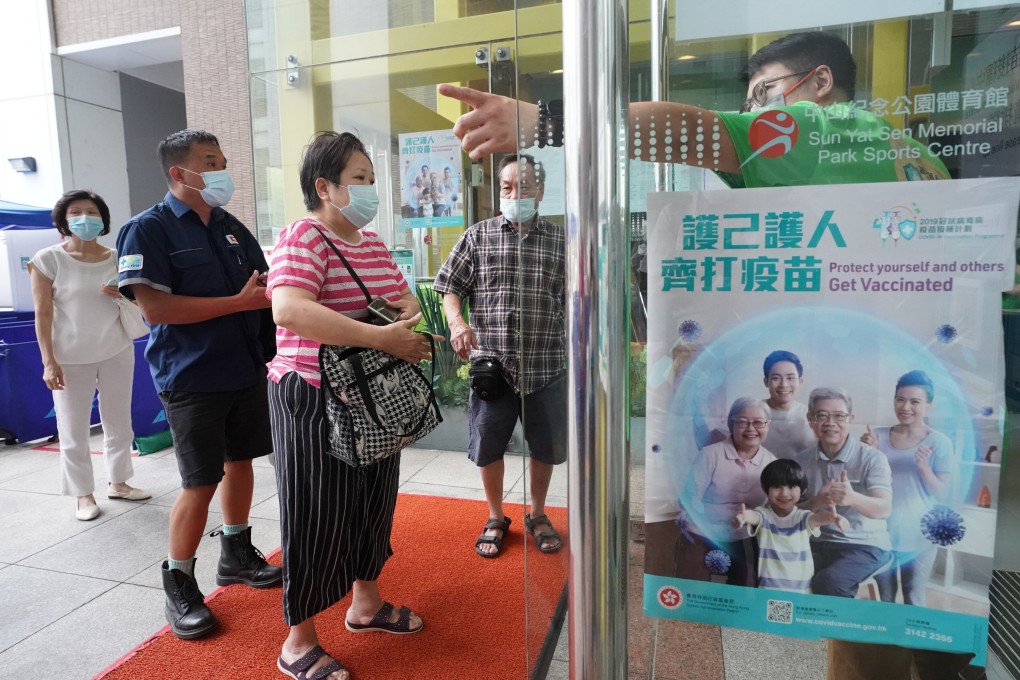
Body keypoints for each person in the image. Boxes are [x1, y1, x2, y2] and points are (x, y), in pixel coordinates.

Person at [441, 32, 968, 678]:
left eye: (763, 97)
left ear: (819, 84)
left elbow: (690, 133)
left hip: (889, 429)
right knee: (930, 637)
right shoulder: (916, 157)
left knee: (869, 647)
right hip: (937, 402)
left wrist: (540, 121)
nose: (755, 116)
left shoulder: (817, 126)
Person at [267, 131, 436, 680]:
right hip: (312, 395)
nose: (370, 190)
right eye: (360, 179)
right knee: (315, 513)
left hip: (371, 397)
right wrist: (383, 336)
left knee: (371, 502)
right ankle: (298, 640)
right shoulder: (304, 237)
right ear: (325, 186)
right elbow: (289, 310)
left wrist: (391, 323)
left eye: (370, 179)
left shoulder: (373, 244)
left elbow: (408, 298)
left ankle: (365, 604)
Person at [116, 128, 282, 641]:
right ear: (178, 172)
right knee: (199, 481)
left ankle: (235, 553)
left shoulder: (230, 226)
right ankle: (179, 581)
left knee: (241, 462)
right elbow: (155, 308)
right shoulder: (148, 229)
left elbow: (264, 287)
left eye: (222, 161)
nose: (221, 171)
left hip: (244, 365)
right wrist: (237, 303)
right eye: (210, 162)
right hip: (191, 377)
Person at [433, 153, 567, 558]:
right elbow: (449, 286)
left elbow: (581, 300)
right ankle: (495, 516)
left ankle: (538, 513)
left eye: (524, 186)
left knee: (545, 448)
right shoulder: (478, 236)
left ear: (540, 191)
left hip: (546, 364)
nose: (514, 194)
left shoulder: (562, 241)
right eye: (507, 187)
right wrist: (458, 324)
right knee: (488, 445)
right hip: (493, 368)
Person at [28, 190, 150, 521]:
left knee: (118, 422)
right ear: (64, 222)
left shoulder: (116, 257)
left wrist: (120, 294)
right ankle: (83, 494)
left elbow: (139, 302)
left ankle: (119, 482)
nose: (85, 218)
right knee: (73, 428)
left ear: (103, 219)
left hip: (116, 350)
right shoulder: (47, 259)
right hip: (69, 357)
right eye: (76, 212)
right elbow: (43, 314)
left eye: (92, 211)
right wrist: (48, 361)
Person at [859, 370, 953, 606]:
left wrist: (923, 467)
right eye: (900, 399)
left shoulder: (939, 442)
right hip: (881, 534)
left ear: (929, 405)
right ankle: (884, 643)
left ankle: (911, 644)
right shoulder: (877, 436)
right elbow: (864, 486)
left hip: (920, 537)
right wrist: (868, 454)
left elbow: (943, 493)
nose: (906, 406)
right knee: (885, 599)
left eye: (915, 401)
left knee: (914, 598)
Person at [794, 387, 893, 598]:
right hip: (818, 541)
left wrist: (853, 498)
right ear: (810, 419)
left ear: (851, 419)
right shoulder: (800, 461)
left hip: (865, 544)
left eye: (839, 416)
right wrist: (815, 502)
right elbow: (790, 511)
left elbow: (884, 509)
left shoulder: (872, 458)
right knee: (782, 570)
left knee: (829, 583)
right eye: (821, 415)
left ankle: (849, 629)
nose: (830, 423)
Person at [680, 397, 776, 585]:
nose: (750, 429)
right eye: (742, 422)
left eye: (758, 422)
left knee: (746, 585)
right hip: (705, 532)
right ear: (731, 424)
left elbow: (773, 508)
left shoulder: (772, 463)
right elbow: (688, 500)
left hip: (745, 535)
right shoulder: (710, 455)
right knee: (695, 586)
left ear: (768, 425)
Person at [732, 458, 847, 593]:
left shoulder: (802, 517)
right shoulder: (764, 515)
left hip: (801, 591)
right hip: (768, 590)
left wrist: (832, 518)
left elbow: (816, 519)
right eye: (776, 486)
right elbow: (753, 516)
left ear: (802, 490)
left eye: (791, 487)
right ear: (766, 489)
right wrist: (744, 517)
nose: (784, 493)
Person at [760, 350, 816, 457]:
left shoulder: (812, 415)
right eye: (776, 378)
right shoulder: (751, 411)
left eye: (790, 378)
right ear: (766, 382)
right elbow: (720, 436)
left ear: (801, 381)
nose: (784, 385)